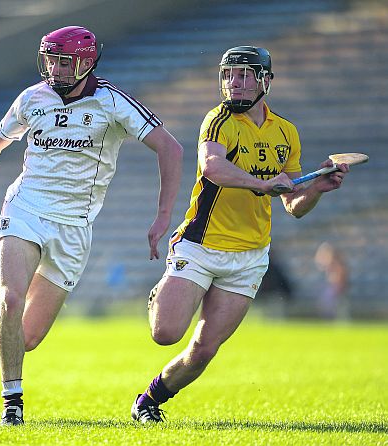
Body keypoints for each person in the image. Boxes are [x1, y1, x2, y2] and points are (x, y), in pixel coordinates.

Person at [0, 26, 183, 426]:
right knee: (10, 299)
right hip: (25, 210)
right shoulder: (32, 98)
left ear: (86, 63)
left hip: (74, 229)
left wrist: (162, 216)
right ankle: (12, 405)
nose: (53, 67)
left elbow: (170, 148)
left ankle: (12, 362)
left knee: (28, 337)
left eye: (62, 60)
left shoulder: (113, 102)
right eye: (49, 58)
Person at [131, 46, 350, 424]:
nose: (236, 82)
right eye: (230, 74)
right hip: (201, 246)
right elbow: (213, 167)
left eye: (246, 74)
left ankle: (148, 402)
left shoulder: (286, 132)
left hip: (249, 258)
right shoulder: (218, 121)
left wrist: (314, 188)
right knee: (166, 334)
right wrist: (263, 184)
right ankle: (163, 292)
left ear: (266, 81)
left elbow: (293, 206)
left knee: (203, 349)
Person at [314, 241, 348, 319]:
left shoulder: (338, 265)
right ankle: (328, 317)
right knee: (325, 301)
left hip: (337, 288)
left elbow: (338, 279)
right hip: (334, 287)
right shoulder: (332, 264)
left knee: (327, 301)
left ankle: (330, 318)